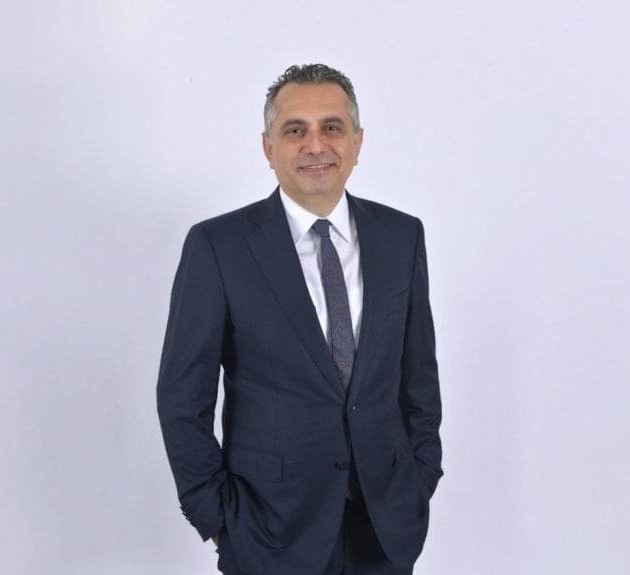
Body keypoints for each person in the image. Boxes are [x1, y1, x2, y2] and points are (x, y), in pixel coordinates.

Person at [157, 64, 442, 575]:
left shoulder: (402, 237)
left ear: (356, 142)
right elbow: (182, 398)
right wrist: (217, 517)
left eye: (332, 127)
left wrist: (419, 479)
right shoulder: (218, 247)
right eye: (295, 130)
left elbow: (419, 379)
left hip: (385, 528)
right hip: (268, 532)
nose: (316, 145)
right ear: (269, 148)